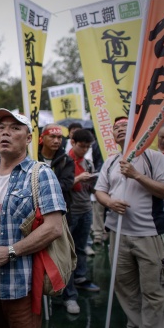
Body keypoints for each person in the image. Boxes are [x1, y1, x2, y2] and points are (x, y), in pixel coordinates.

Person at [0, 109, 67, 328]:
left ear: (29, 137)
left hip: (21, 280)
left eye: (15, 128)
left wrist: (11, 251)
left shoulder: (40, 173)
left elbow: (54, 227)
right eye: (1, 128)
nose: (6, 133)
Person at [94, 117, 164, 328]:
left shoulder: (154, 157)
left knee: (153, 288)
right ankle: (138, 326)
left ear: (138, 132)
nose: (119, 130)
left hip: (150, 234)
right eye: (116, 127)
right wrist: (110, 202)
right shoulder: (111, 161)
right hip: (119, 235)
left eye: (125, 126)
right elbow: (100, 191)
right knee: (124, 285)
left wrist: (136, 175)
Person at [61, 128, 100, 315]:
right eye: (81, 146)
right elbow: (63, 186)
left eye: (87, 147)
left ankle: (80, 277)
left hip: (86, 209)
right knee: (68, 252)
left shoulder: (89, 164)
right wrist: (78, 178)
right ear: (72, 142)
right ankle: (69, 294)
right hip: (70, 212)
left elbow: (92, 189)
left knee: (81, 247)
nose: (84, 150)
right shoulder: (64, 162)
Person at [37, 124, 74, 216]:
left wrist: (41, 187)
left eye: (59, 137)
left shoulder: (66, 160)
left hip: (60, 209)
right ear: (42, 137)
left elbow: (66, 184)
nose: (56, 141)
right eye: (52, 137)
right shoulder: (33, 157)